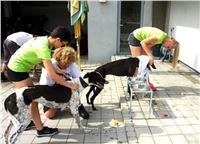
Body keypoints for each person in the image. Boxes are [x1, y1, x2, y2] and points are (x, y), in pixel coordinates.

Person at [7, 26, 79, 137]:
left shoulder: (45, 41)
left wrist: (59, 71)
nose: (62, 47)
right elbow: (52, 76)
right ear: (58, 40)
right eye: (63, 44)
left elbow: (42, 62)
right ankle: (40, 130)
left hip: (19, 69)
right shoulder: (43, 47)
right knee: (32, 100)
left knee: (31, 99)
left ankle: (30, 123)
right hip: (16, 70)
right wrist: (70, 85)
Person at [40, 46, 89, 119]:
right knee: (49, 115)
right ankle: (63, 103)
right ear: (58, 60)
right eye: (65, 63)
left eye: (69, 63)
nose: (67, 65)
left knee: (75, 86)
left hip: (65, 88)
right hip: (50, 90)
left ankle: (78, 105)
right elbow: (44, 87)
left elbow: (77, 80)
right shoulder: (50, 65)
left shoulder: (71, 64)